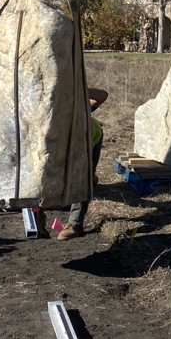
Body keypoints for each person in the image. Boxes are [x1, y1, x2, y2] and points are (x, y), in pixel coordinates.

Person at [57, 87, 107, 240]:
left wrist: (75, 85)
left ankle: (75, 224)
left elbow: (102, 95)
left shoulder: (75, 104)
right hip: (64, 146)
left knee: (82, 179)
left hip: (91, 141)